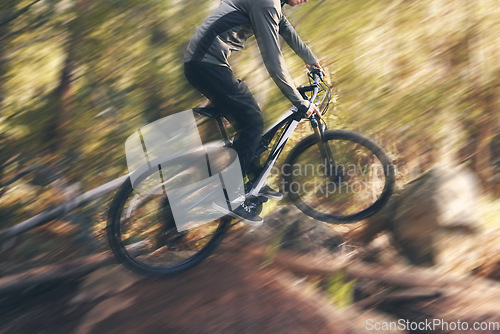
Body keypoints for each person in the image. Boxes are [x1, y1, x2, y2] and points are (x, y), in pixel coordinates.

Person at [184, 0, 323, 225]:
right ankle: (230, 197)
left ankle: (254, 177)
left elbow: (285, 29)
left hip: (205, 64)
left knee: (250, 120)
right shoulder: (267, 3)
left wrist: (311, 60)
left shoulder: (272, 4)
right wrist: (300, 102)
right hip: (206, 65)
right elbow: (273, 59)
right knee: (253, 123)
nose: (306, 0)